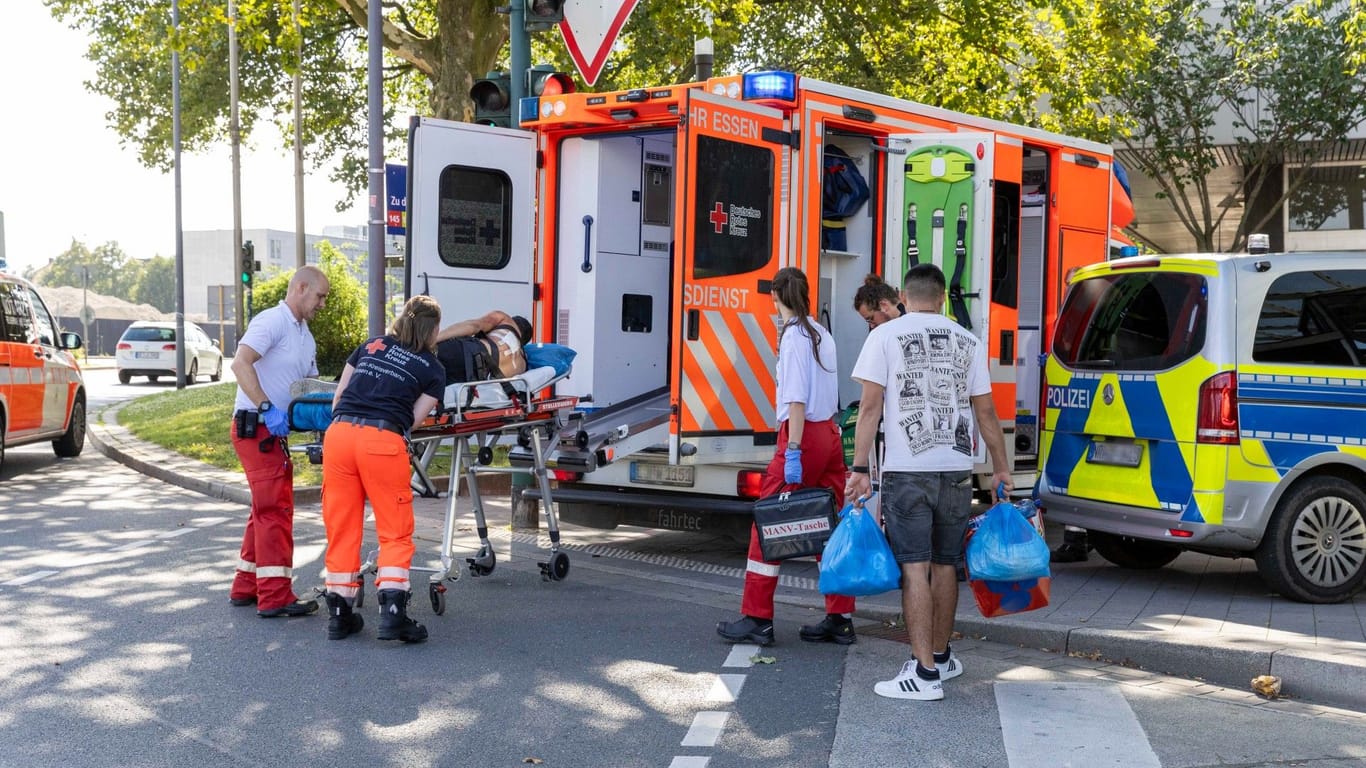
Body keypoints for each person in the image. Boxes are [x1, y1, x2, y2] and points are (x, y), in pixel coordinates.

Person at [846, 263, 1011, 701]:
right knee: (944, 566)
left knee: (914, 567)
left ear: (904, 294)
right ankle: (940, 656)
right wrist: (1001, 468)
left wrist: (860, 468)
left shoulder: (885, 336)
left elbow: (869, 409)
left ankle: (923, 676)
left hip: (908, 470)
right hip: (956, 471)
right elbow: (987, 414)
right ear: (941, 297)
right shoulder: (969, 342)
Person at [717, 267, 857, 646]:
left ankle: (757, 619)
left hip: (804, 437)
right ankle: (840, 618)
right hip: (829, 432)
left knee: (769, 522)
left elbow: (796, 398)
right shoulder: (821, 333)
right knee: (829, 527)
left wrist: (792, 450)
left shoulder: (794, 337)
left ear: (776, 297)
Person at [320, 295, 447, 643]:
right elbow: (412, 421)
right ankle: (393, 615)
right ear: (433, 329)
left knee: (342, 526)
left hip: (340, 435)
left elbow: (338, 397)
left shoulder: (371, 345)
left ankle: (340, 614)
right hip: (382, 439)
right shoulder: (432, 368)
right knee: (394, 530)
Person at [227, 265, 331, 618]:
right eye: (320, 296)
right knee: (275, 509)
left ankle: (246, 586)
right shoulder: (271, 321)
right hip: (256, 427)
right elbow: (240, 364)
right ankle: (274, 596)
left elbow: (310, 389)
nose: (323, 305)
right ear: (301, 287)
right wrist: (267, 407)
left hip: (272, 432)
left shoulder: (305, 335)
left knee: (265, 508)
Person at [435, 310, 533, 383]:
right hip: (469, 378)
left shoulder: (506, 320)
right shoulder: (522, 367)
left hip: (463, 352)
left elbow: (473, 326)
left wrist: (433, 340)